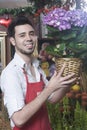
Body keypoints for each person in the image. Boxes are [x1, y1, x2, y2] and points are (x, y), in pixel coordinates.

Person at [0, 16, 77, 130]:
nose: (29, 38)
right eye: (22, 35)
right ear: (13, 41)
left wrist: (68, 82)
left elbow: (52, 99)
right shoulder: (11, 73)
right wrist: (49, 88)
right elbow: (18, 119)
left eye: (31, 34)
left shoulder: (37, 67)